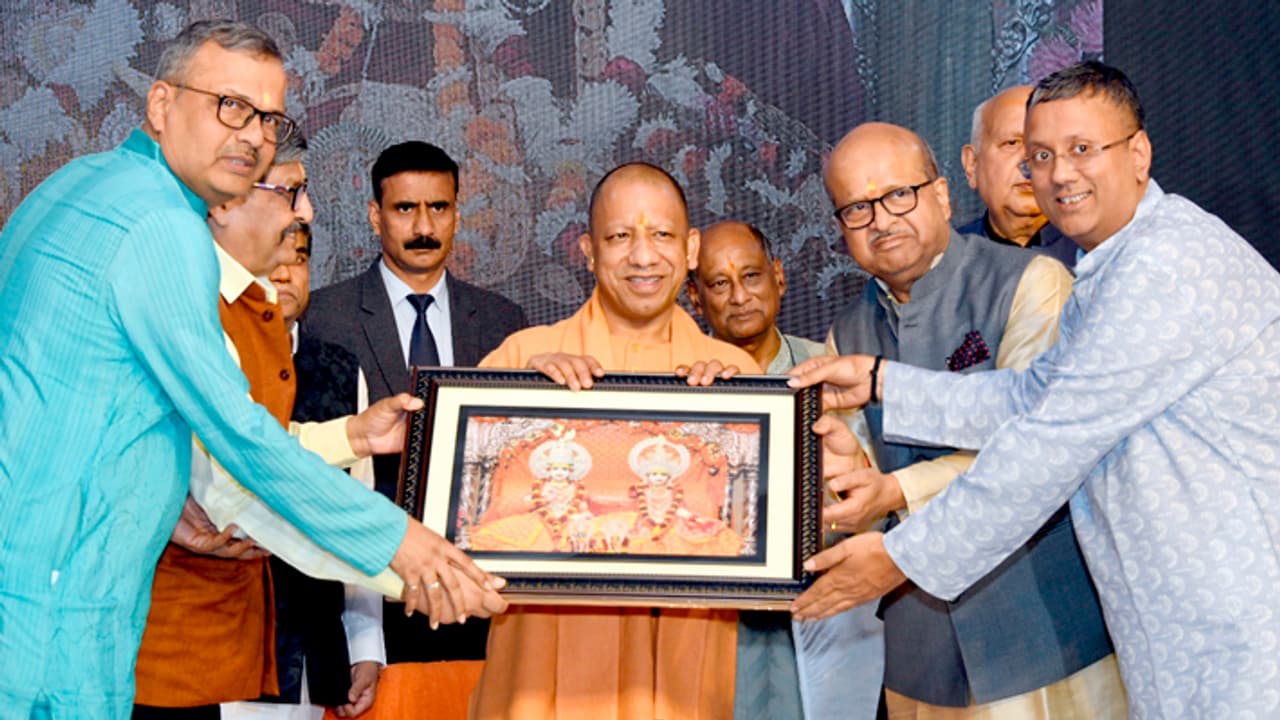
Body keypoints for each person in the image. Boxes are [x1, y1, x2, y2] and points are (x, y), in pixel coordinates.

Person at [0, 20, 503, 718]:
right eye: (229, 105)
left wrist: (166, 478)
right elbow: (241, 436)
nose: (254, 135)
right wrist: (404, 549)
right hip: (61, 595)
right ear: (159, 104)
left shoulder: (74, 184)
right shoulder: (164, 228)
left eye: (269, 116)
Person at [790, 61, 1280, 719]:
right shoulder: (1110, 265)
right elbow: (1028, 397)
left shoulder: (1165, 266)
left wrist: (901, 557)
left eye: (1082, 150)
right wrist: (882, 383)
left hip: (1242, 627)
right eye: (1040, 155)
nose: (1057, 174)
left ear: (1138, 153)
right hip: (1174, 623)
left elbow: (1048, 445)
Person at [812, 120, 1124, 718]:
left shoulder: (1031, 284)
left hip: (1042, 629)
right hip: (919, 651)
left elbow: (1036, 453)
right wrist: (849, 482)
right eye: (857, 208)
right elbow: (856, 497)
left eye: (898, 194)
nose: (882, 219)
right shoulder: (845, 336)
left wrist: (892, 490)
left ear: (942, 194)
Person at [469, 162, 761, 720]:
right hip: (539, 684)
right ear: (588, 250)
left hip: (679, 687)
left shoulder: (734, 377)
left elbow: (764, 536)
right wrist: (520, 408)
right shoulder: (521, 360)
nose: (643, 256)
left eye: (662, 235)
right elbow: (464, 528)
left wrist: (732, 437)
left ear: (692, 247)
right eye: (620, 236)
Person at [301, 140, 527, 714]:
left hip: (483, 600)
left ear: (457, 211)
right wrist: (360, 637)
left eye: (439, 208)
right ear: (376, 214)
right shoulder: (322, 316)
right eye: (405, 210)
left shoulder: (505, 322)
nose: (424, 226)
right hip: (368, 606)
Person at [688, 219, 882, 720]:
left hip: (825, 607)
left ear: (779, 277)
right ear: (694, 296)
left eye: (751, 276)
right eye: (719, 283)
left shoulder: (834, 371)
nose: (739, 297)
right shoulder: (681, 382)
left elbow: (878, 499)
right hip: (717, 616)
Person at [957, 86, 1079, 269]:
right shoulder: (945, 262)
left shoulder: (1097, 251)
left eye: (1043, 147)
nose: (1029, 163)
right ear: (972, 164)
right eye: (1012, 143)